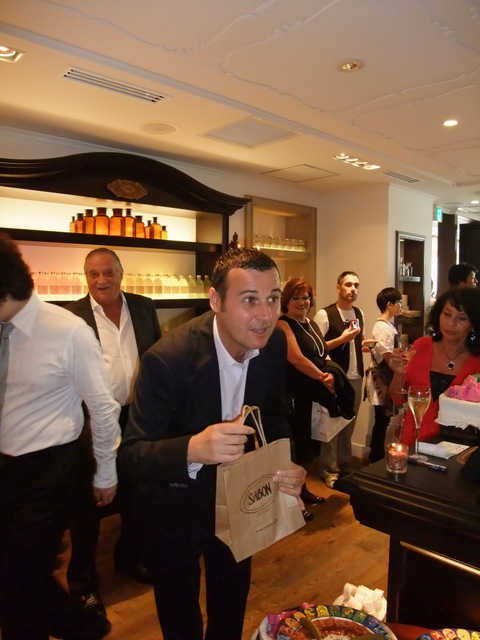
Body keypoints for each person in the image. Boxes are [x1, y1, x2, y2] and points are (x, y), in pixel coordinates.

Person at [118, 247, 306, 640]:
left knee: (231, 602)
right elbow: (132, 455)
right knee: (179, 613)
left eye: (273, 298)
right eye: (249, 300)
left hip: (240, 498)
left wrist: (287, 463)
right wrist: (193, 449)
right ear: (216, 300)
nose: (265, 315)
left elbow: (273, 415)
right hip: (173, 504)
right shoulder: (167, 360)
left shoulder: (272, 344)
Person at [0, 235, 121, 640]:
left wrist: (105, 472)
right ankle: (81, 625)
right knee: (17, 571)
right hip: (6, 465)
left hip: (52, 466)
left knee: (21, 577)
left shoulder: (68, 331)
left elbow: (102, 407)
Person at [64, 248, 161, 615]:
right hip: (91, 421)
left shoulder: (144, 307)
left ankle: (130, 558)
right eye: (93, 274)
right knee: (88, 504)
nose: (101, 280)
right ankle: (83, 585)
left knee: (138, 494)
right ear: (85, 277)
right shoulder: (71, 316)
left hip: (137, 416)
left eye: (108, 272)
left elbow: (156, 358)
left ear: (121, 274)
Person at [277, 278, 355, 512]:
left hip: (311, 392)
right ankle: (291, 499)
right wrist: (323, 377)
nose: (302, 302)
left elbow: (321, 351)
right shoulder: (283, 324)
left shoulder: (309, 323)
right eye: (296, 298)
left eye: (306, 297)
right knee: (294, 444)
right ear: (286, 300)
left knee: (307, 444)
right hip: (294, 394)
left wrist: (330, 373)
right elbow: (296, 358)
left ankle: (301, 491)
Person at [389, 286, 480, 446]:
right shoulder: (421, 346)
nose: (451, 323)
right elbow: (397, 398)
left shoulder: (477, 361)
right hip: (413, 442)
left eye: (462, 318)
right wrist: (398, 373)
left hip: (456, 447)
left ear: (473, 323)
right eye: (447, 314)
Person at [313, 271, 364, 487]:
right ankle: (329, 470)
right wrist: (342, 339)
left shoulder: (359, 313)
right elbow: (317, 348)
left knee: (348, 424)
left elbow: (354, 343)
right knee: (332, 425)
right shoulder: (324, 315)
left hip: (356, 376)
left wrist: (363, 344)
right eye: (348, 284)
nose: (353, 289)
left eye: (356, 285)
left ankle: (345, 465)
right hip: (335, 377)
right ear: (338, 287)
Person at [364, 287, 402, 462]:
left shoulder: (388, 326)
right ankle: (376, 457)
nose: (401, 306)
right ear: (389, 304)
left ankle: (377, 456)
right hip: (382, 379)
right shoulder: (382, 327)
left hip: (386, 377)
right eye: (399, 303)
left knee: (383, 419)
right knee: (382, 419)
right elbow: (387, 357)